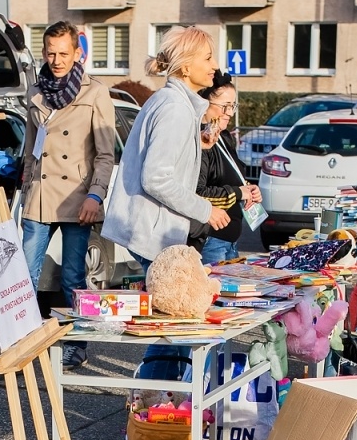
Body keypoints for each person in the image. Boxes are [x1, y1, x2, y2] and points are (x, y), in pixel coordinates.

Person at [102, 28, 229, 306]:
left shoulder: (172, 102)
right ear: (186, 66)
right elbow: (156, 178)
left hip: (155, 232)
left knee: (173, 323)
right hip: (154, 234)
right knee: (177, 321)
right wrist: (206, 210)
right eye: (207, 59)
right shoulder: (175, 107)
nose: (215, 66)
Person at [20, 19, 118, 351]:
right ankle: (24, 344)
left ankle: (75, 350)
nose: (57, 60)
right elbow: (31, 149)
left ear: (78, 53)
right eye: (51, 53)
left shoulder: (95, 92)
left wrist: (96, 194)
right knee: (24, 278)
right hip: (40, 196)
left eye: (64, 53)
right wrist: (25, 188)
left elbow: (106, 154)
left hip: (78, 198)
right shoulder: (34, 92)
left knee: (73, 278)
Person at [191, 71, 258, 266]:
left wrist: (250, 189)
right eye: (225, 107)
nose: (230, 112)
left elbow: (234, 177)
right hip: (211, 240)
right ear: (205, 104)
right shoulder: (201, 141)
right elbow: (197, 192)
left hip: (231, 240)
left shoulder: (224, 137)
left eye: (233, 106)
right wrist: (238, 193)